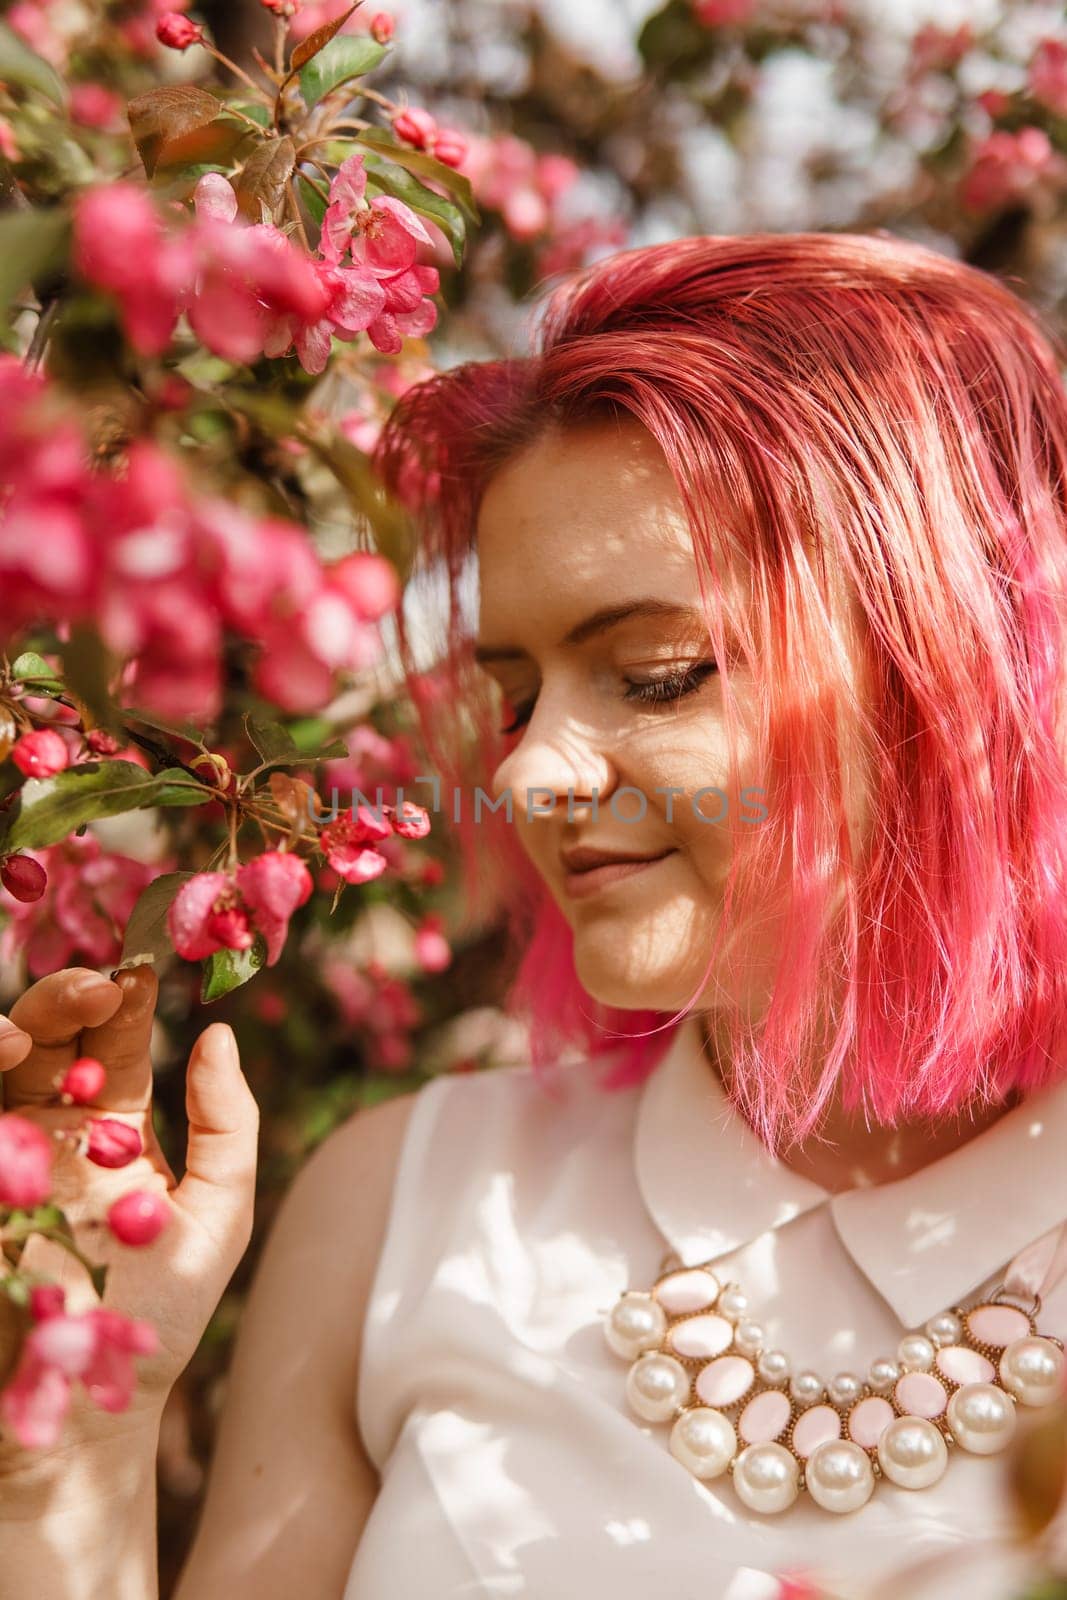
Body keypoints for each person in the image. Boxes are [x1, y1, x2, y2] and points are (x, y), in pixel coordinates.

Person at [2, 230, 1067, 1600]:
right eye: (513, 692)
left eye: (660, 673)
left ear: (960, 674)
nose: (527, 771)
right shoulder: (407, 1201)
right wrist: (75, 1454)